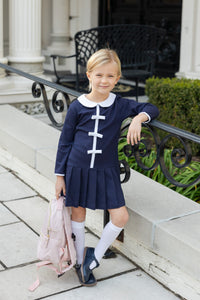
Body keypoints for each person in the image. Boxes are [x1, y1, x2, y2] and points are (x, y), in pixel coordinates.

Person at [55, 49, 159, 286]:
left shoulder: (120, 105)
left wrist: (137, 119)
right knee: (78, 213)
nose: (104, 81)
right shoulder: (77, 107)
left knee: (120, 216)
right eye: (99, 75)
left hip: (107, 171)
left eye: (110, 76)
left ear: (117, 78)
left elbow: (152, 108)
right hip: (77, 169)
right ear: (89, 75)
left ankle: (94, 258)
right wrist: (60, 176)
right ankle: (81, 262)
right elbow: (65, 142)